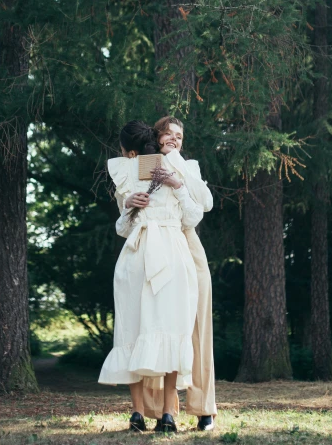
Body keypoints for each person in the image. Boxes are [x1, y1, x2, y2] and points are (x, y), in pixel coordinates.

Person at [98, 120, 204, 433]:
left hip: (170, 254)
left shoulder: (176, 170)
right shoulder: (129, 176)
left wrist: (177, 185)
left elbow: (195, 215)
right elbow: (123, 228)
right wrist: (129, 206)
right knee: (134, 330)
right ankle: (139, 414)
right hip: (139, 256)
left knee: (170, 330)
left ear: (125, 149)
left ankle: (166, 414)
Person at [153, 116, 217, 432]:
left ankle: (205, 408)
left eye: (179, 135)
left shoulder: (189, 166)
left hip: (187, 245)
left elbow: (205, 203)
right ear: (157, 137)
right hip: (155, 247)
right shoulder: (145, 165)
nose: (175, 138)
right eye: (168, 134)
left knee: (197, 326)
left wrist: (176, 165)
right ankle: (160, 410)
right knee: (157, 326)